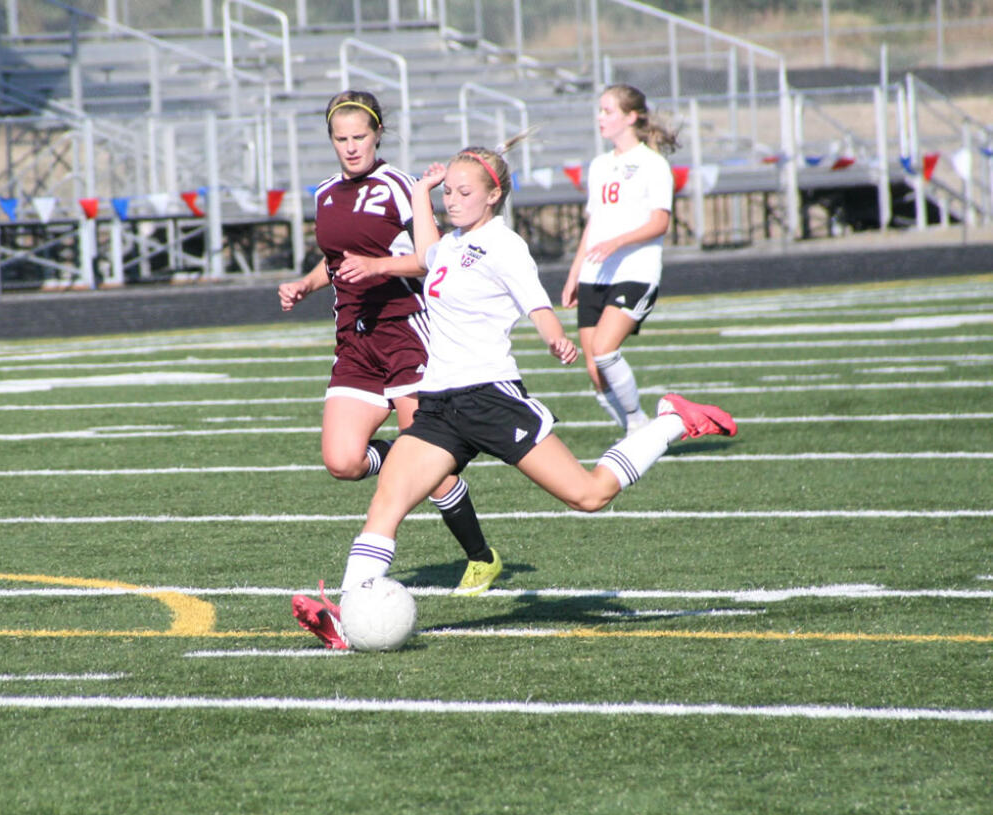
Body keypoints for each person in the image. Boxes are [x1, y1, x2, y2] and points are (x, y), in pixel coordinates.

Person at [292, 139, 736, 649]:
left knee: (589, 495)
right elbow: (425, 247)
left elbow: (537, 305)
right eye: (449, 193)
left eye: (463, 192)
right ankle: (346, 619)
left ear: (493, 196)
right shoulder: (449, 246)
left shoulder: (504, 245)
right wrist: (421, 190)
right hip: (438, 405)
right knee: (386, 506)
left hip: (491, 399)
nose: (452, 200)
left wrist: (556, 338)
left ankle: (671, 419)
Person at [278, 90, 503, 597]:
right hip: (354, 339)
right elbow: (337, 260)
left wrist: (379, 266)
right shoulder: (324, 193)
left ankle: (481, 557)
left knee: (429, 457)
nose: (352, 147)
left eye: (360, 137)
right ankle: (405, 453)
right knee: (342, 461)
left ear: (378, 134)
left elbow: (432, 257)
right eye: (342, 139)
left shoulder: (399, 186)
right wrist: (306, 284)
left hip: (407, 332)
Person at [561, 84, 679, 434]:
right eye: (600, 110)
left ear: (631, 116)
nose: (600, 117)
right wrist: (573, 274)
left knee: (604, 349)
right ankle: (636, 425)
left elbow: (660, 222)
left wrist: (618, 242)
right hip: (595, 274)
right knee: (596, 372)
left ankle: (638, 429)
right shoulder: (599, 166)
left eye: (608, 111)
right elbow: (593, 225)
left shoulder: (653, 164)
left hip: (635, 271)